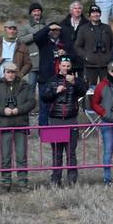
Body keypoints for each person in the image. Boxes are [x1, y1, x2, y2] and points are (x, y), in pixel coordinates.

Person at [0, 61, 35, 190]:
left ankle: (23, 182)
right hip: (5, 126)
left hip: (21, 125)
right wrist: (3, 110)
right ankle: (6, 182)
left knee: (21, 155)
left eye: (13, 72)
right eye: (8, 72)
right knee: (5, 155)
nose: (11, 75)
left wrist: (20, 109)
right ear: (4, 73)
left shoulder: (25, 86)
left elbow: (32, 102)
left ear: (16, 73)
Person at [39, 57, 85, 186]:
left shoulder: (75, 79)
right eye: (63, 65)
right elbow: (44, 97)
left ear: (70, 67)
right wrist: (55, 91)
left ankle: (72, 180)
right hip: (55, 120)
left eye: (68, 66)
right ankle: (56, 179)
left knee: (71, 152)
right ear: (59, 67)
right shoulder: (52, 80)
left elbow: (83, 91)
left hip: (71, 119)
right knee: (57, 153)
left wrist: (75, 82)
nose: (65, 68)